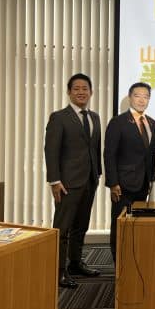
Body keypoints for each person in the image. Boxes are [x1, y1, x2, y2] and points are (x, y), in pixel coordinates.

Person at [44, 73, 102, 288]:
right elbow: (51, 151)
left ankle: (76, 263)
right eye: (76, 88)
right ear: (69, 92)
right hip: (67, 183)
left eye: (85, 88)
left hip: (89, 180)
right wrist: (54, 181)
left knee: (81, 226)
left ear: (91, 92)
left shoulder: (94, 117)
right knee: (63, 228)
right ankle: (58, 271)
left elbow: (95, 148)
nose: (81, 92)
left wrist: (97, 174)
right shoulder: (59, 117)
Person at [104, 82, 155, 263]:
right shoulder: (118, 122)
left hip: (143, 183)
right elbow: (109, 154)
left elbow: (150, 154)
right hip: (122, 184)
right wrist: (113, 183)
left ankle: (134, 261)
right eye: (137, 96)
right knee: (120, 223)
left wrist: (150, 178)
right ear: (129, 97)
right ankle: (118, 263)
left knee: (136, 223)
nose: (142, 100)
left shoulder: (151, 123)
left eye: (146, 97)